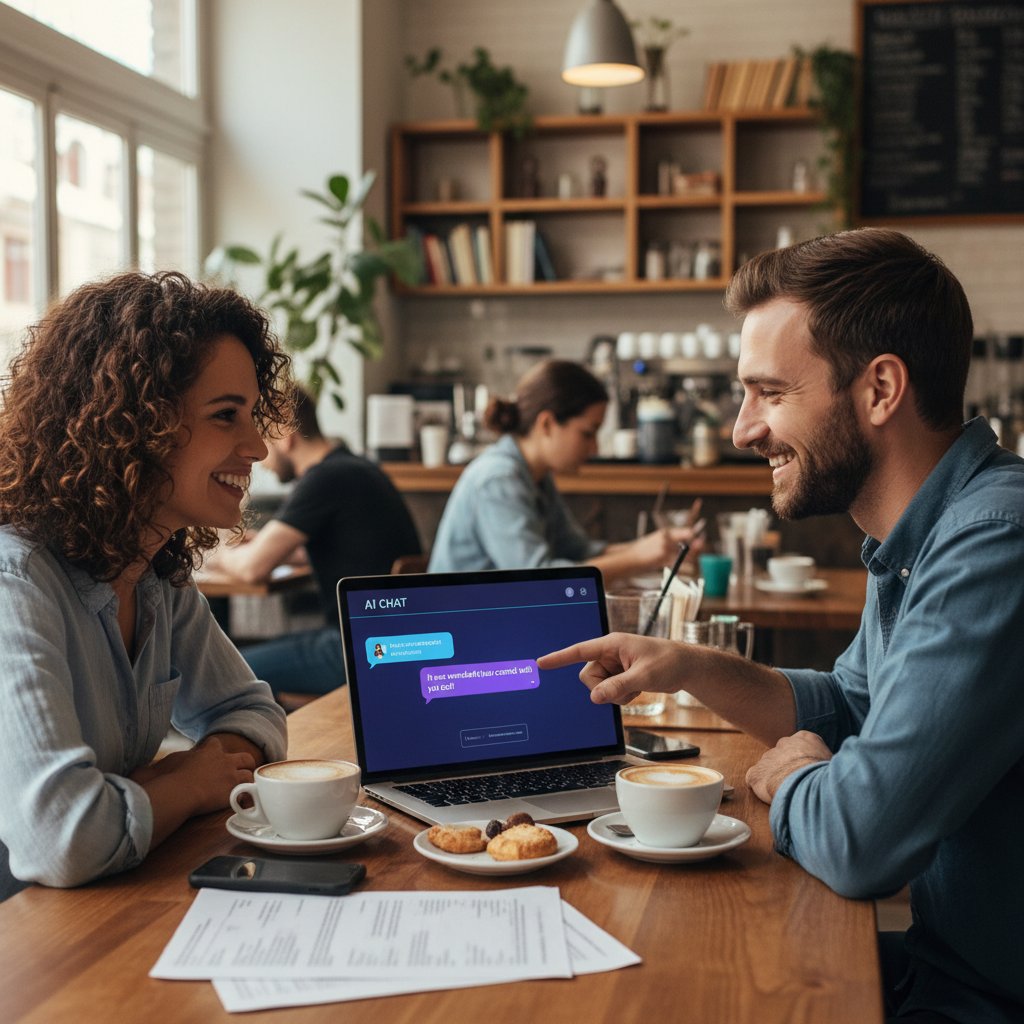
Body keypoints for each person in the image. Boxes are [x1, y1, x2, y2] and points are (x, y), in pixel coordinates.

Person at [539, 229, 1024, 1024]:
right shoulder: (917, 534)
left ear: (879, 390)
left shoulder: (993, 543)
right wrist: (687, 665)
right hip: (948, 963)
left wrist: (792, 777)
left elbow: (864, 841)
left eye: (770, 392)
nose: (742, 429)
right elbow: (848, 707)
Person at [0, 271, 291, 902]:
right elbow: (61, 837)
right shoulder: (15, 583)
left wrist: (159, 786)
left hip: (105, 901)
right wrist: (186, 783)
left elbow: (255, 713)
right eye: (226, 416)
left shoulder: (156, 570)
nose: (258, 448)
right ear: (135, 426)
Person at [207, 387, 421, 698]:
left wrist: (215, 553)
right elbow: (348, 551)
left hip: (359, 649)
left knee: (224, 671)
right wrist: (272, 549)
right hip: (394, 642)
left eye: (263, 437)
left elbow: (253, 569)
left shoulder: (323, 479)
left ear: (285, 434)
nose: (261, 459)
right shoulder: (357, 467)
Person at [427, 359, 696, 585]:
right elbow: (540, 579)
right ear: (547, 424)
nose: (594, 448)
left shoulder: (536, 475)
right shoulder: (498, 479)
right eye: (587, 433)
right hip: (455, 634)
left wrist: (657, 547)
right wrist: (639, 558)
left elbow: (578, 550)